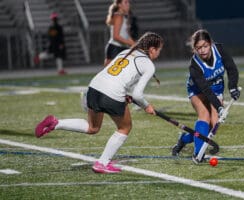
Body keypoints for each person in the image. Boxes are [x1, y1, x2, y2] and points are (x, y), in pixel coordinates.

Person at [35, 32, 164, 174]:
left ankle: (56, 123)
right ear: (152, 49)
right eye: (159, 50)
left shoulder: (127, 52)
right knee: (125, 128)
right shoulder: (149, 65)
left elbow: (119, 76)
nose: (158, 54)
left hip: (94, 88)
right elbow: (138, 95)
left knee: (93, 127)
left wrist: (125, 95)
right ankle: (102, 163)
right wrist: (147, 106)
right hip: (111, 93)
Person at [171, 29, 240, 164]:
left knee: (213, 125)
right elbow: (206, 90)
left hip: (217, 88)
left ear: (210, 43)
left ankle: (184, 139)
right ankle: (198, 153)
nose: (202, 50)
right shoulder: (194, 66)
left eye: (205, 46)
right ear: (194, 49)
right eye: (198, 48)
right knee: (204, 116)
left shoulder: (219, 50)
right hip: (198, 90)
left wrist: (233, 87)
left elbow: (232, 68)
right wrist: (219, 107)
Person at [104, 0, 136, 66]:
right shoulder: (118, 16)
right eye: (125, 2)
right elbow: (115, 36)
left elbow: (126, 35)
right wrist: (130, 43)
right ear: (119, 5)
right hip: (115, 48)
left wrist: (135, 44)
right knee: (110, 75)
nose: (128, 4)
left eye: (128, 2)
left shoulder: (124, 16)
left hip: (122, 48)